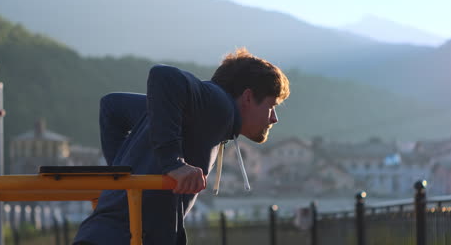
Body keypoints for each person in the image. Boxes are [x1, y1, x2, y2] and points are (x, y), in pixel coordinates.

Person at [73, 48, 290, 245]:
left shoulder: (195, 114)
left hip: (105, 234)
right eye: (271, 106)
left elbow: (112, 107)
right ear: (248, 97)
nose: (274, 119)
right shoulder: (219, 106)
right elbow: (163, 76)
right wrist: (172, 163)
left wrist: (126, 178)